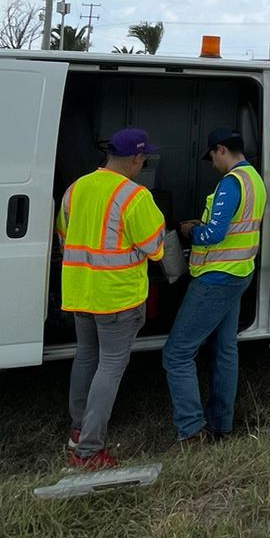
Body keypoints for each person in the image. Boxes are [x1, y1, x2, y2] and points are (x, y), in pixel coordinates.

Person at [56, 127, 165, 468]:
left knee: (86, 358)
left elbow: (64, 235)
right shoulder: (135, 196)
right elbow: (156, 249)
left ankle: (77, 431)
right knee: (110, 367)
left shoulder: (76, 189)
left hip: (79, 292)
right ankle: (89, 450)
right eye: (144, 158)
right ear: (136, 158)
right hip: (117, 298)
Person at [163, 127, 268, 445]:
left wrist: (190, 231)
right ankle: (221, 424)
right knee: (225, 350)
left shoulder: (231, 183)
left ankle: (192, 430)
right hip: (239, 272)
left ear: (221, 150)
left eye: (212, 158)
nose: (212, 164)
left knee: (177, 353)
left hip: (216, 278)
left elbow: (215, 235)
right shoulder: (255, 180)